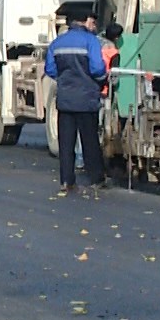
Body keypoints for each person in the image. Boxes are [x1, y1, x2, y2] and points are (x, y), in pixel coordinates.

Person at [46, 11, 109, 195]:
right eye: (92, 20)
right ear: (85, 21)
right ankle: (96, 178)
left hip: (65, 100)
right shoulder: (91, 41)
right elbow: (98, 69)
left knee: (66, 143)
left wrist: (65, 80)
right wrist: (100, 79)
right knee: (89, 141)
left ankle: (66, 180)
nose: (94, 24)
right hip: (86, 99)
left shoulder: (57, 42)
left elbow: (50, 69)